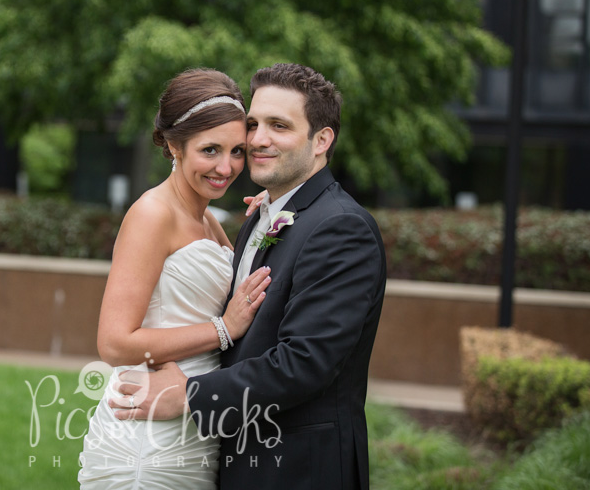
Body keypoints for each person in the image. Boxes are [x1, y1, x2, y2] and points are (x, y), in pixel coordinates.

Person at [112, 63, 387, 490]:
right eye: (254, 125)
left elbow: (304, 362)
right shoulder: (263, 216)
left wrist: (188, 394)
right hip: (224, 453)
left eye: (279, 126)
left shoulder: (342, 227)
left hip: (296, 470)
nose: (257, 139)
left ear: (321, 140)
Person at [78, 68, 272, 489]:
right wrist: (223, 329)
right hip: (146, 439)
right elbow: (114, 343)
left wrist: (270, 211)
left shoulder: (209, 220)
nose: (226, 167)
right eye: (210, 150)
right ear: (173, 146)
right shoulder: (153, 214)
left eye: (237, 151)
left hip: (193, 425)